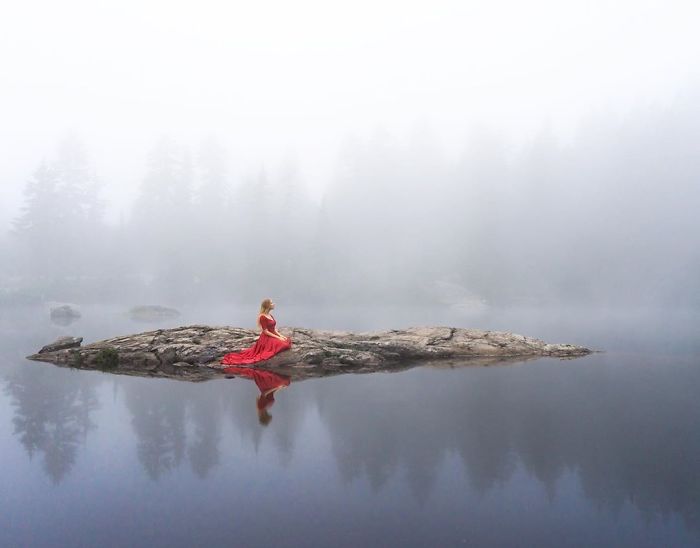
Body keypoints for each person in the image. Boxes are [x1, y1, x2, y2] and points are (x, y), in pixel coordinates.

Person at [220, 298, 293, 365]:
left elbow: (274, 329)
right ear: (267, 306)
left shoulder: (270, 315)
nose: (274, 304)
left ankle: (280, 339)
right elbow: (266, 332)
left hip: (272, 334)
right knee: (283, 345)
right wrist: (278, 338)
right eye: (271, 303)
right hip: (267, 338)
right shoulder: (262, 317)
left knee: (286, 340)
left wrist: (281, 336)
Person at [223, 366, 291, 425]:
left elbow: (264, 393)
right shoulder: (265, 408)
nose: (269, 414)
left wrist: (277, 387)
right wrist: (280, 388)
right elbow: (272, 394)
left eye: (268, 416)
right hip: (270, 388)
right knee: (286, 383)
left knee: (282, 379)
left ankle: (232, 371)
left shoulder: (261, 407)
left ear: (265, 416)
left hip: (266, 387)